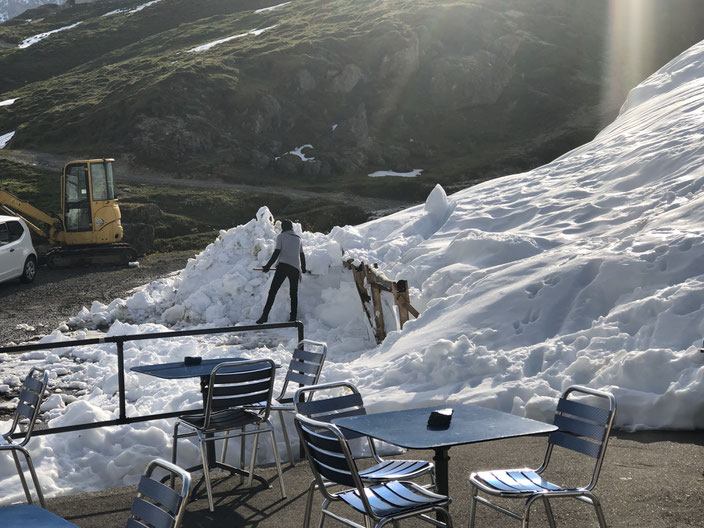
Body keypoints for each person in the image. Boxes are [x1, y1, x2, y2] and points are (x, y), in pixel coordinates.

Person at [256, 219, 306, 323]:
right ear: (291, 227)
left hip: (283, 266)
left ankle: (264, 316)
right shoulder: (298, 239)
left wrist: (267, 266)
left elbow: (277, 252)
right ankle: (293, 318)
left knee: (273, 291)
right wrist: (304, 268)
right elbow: (301, 255)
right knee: (293, 294)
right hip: (295, 269)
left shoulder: (281, 237)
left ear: (283, 228)